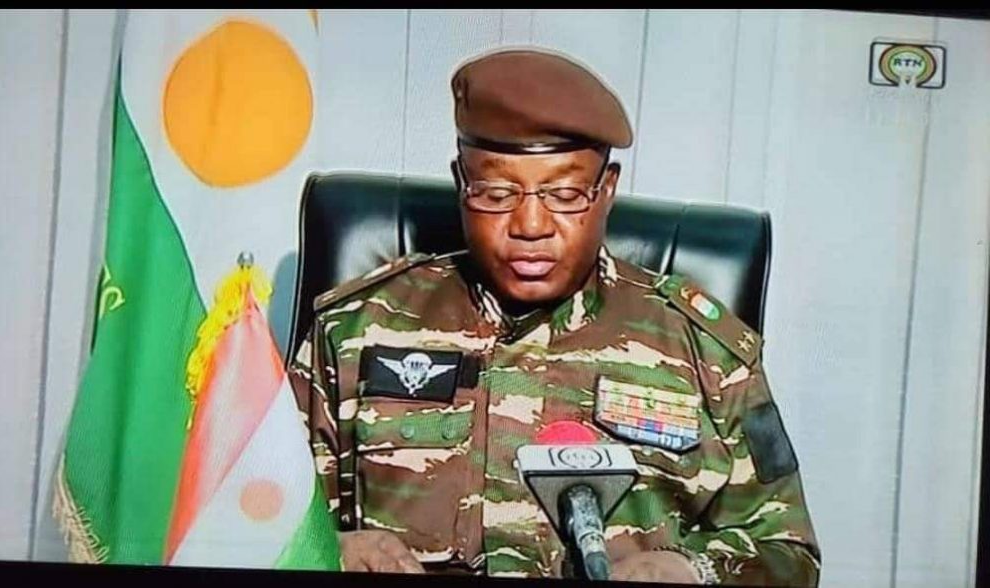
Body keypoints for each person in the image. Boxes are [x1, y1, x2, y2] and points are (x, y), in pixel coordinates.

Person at [289, 47, 820, 585]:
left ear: (606, 190)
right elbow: (259, 512)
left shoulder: (707, 353)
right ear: (461, 184)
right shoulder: (354, 329)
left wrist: (691, 569)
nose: (530, 225)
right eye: (497, 192)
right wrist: (331, 548)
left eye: (564, 194)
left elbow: (788, 551)